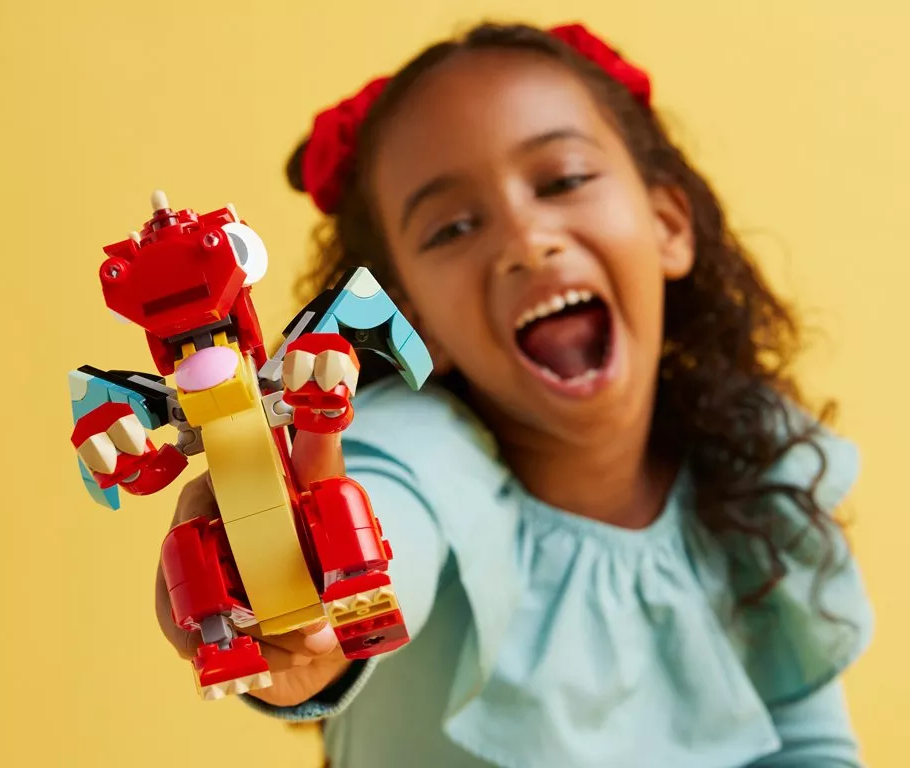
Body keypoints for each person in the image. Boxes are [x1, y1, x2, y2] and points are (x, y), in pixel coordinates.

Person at [156, 20, 874, 767]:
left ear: (667, 225)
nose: (527, 243)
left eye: (564, 181)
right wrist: (308, 613)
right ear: (410, 319)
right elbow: (380, 521)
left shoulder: (753, 468)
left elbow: (808, 746)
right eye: (453, 228)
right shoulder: (416, 450)